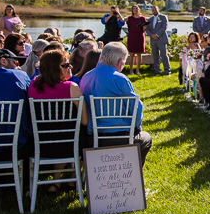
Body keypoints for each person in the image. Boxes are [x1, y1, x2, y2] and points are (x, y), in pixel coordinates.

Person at [79, 42, 152, 167]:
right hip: (122, 137)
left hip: (93, 138)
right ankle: (131, 175)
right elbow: (135, 108)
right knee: (146, 138)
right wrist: (135, 128)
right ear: (119, 62)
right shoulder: (120, 79)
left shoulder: (86, 77)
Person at [28, 50, 89, 190]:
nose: (70, 67)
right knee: (87, 136)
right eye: (65, 65)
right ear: (54, 68)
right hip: (69, 144)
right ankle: (74, 177)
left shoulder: (33, 86)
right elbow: (85, 121)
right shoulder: (72, 88)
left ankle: (56, 181)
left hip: (40, 143)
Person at [144, 5, 170, 76]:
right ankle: (157, 70)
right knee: (155, 56)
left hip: (161, 39)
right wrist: (151, 35)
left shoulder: (163, 17)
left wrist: (156, 35)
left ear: (158, 9)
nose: (154, 11)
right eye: (153, 10)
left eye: (155, 9)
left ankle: (167, 71)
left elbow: (164, 27)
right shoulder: (150, 19)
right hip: (153, 40)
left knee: (164, 55)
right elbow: (147, 29)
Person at [125, 5, 147, 75]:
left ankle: (137, 70)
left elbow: (144, 29)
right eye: (134, 8)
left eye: (136, 8)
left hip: (140, 36)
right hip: (132, 36)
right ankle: (131, 70)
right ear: (132, 10)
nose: (135, 10)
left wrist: (145, 27)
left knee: (139, 54)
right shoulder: (130, 18)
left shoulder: (143, 18)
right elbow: (123, 20)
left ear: (139, 9)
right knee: (131, 54)